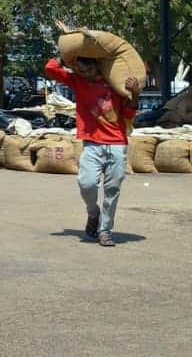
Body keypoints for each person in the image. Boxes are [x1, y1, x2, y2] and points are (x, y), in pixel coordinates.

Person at [43, 48, 141, 247]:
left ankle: (105, 230)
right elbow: (51, 69)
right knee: (86, 183)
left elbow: (129, 113)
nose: (84, 74)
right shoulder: (77, 81)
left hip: (116, 143)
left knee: (112, 189)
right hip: (91, 143)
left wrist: (136, 93)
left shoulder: (115, 83)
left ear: (97, 66)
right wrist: (64, 56)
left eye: (87, 70)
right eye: (80, 70)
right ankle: (93, 213)